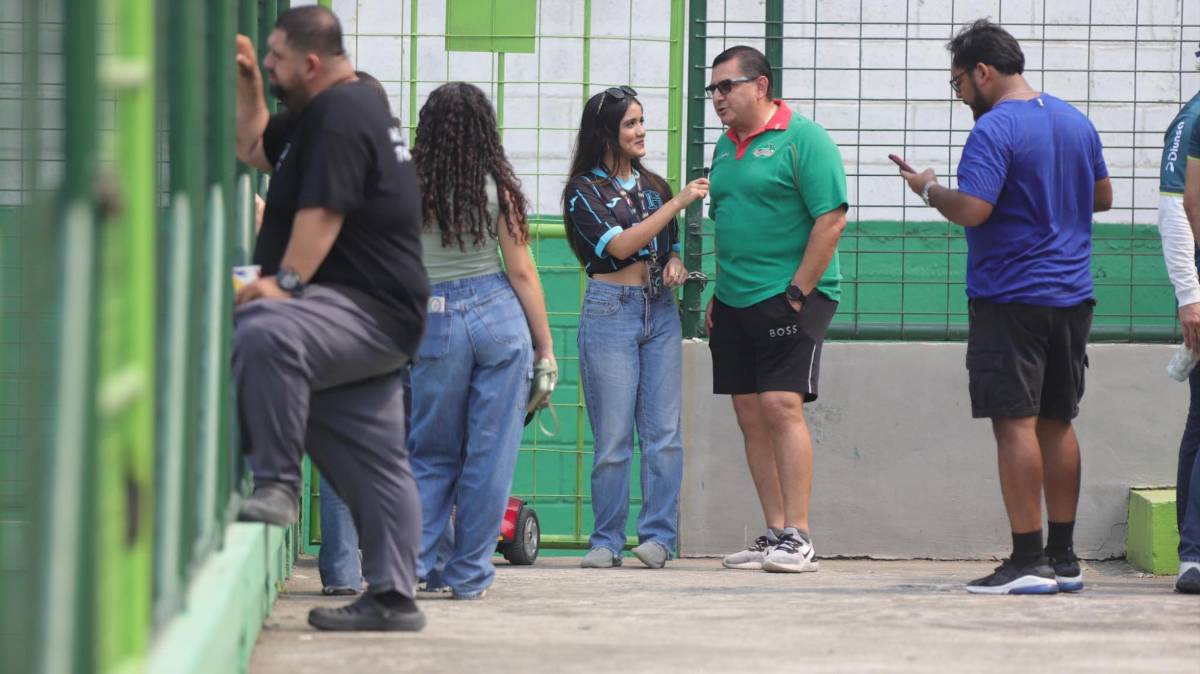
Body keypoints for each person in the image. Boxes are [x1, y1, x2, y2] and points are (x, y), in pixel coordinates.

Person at [899, 19, 1112, 594]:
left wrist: (925, 187)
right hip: (1072, 295)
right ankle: (1064, 559)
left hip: (1009, 295)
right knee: (1057, 421)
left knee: (1013, 422)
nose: (961, 94)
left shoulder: (994, 129)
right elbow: (1103, 197)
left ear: (983, 72)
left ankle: (1026, 561)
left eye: (959, 83)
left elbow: (972, 209)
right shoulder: (1075, 120)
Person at [232, 5, 428, 629]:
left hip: (364, 308)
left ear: (310, 63)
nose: (270, 63)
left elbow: (326, 212)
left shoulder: (344, 114)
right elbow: (255, 148)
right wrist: (251, 89)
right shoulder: (319, 114)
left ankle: (276, 485)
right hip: (365, 313)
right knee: (374, 458)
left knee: (266, 332)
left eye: (276, 58)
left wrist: (282, 284)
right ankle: (394, 598)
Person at [407, 82, 555, 600]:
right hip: (498, 317)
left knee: (430, 455)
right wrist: (546, 349)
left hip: (434, 317)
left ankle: (411, 567)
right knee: (490, 457)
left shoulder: (405, 186)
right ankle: (470, 575)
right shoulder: (499, 188)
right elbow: (522, 272)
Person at [704, 46, 847, 574]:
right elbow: (731, 225)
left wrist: (796, 292)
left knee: (782, 404)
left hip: (793, 295)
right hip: (735, 299)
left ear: (760, 86)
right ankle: (774, 533)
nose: (717, 98)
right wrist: (718, 295)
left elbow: (831, 219)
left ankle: (800, 536)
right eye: (712, 90)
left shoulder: (804, 139)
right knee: (749, 411)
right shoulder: (725, 146)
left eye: (726, 87)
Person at [562, 85, 709, 569]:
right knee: (613, 438)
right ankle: (606, 540)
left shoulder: (653, 185)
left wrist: (675, 260)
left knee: (664, 433)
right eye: (631, 124)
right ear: (606, 132)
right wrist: (680, 202)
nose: (641, 131)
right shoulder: (583, 190)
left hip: (659, 310)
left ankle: (658, 538)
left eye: (642, 121)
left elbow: (662, 245)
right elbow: (621, 246)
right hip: (611, 310)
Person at [1156, 72, 1200, 594]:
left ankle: (1190, 551)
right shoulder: (1190, 121)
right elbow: (1173, 210)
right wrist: (1190, 295)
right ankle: (1194, 554)